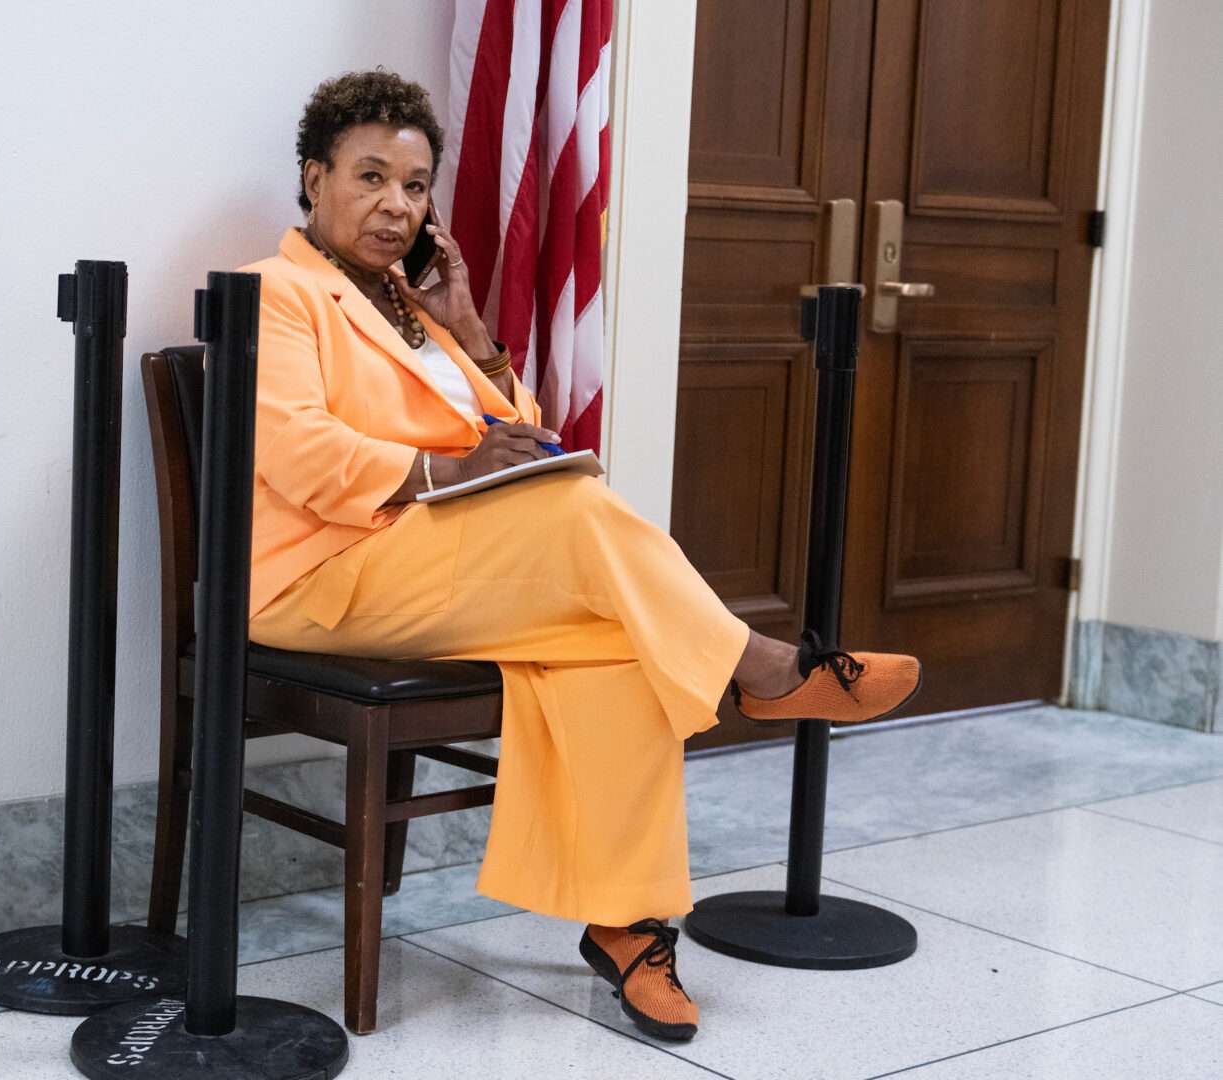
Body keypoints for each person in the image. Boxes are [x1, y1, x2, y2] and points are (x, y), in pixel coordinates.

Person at [241, 70, 921, 1043]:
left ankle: (629, 928)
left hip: (429, 563)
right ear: (314, 178)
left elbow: (523, 436)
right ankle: (761, 668)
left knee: (615, 638)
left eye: (418, 185)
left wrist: (469, 330)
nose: (398, 205)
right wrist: (445, 468)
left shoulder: (416, 307)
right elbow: (297, 454)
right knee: (580, 517)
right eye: (371, 177)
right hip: (321, 574)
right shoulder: (278, 292)